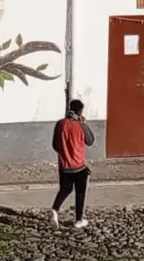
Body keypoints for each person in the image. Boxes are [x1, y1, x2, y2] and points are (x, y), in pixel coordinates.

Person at [50, 98, 95, 229]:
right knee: (80, 192)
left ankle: (55, 209)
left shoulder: (60, 124)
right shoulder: (80, 126)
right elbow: (90, 141)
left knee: (65, 189)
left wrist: (64, 152)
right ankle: (79, 220)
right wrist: (84, 124)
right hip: (79, 166)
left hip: (64, 165)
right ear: (80, 111)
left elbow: (55, 145)